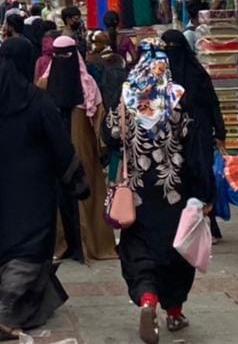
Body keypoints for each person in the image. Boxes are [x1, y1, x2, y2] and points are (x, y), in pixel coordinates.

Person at [0, 37, 89, 340]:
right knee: (33, 246)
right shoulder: (37, 100)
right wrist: (76, 179)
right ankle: (5, 309)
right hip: (35, 186)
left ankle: (30, 307)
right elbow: (59, 143)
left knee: (8, 243)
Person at [104, 41, 215, 343]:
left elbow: (110, 134)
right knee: (176, 254)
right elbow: (195, 150)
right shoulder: (177, 100)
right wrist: (204, 193)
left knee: (138, 251)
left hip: (138, 196)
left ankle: (147, 300)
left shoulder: (127, 100)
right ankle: (175, 312)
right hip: (174, 195)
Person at [37, 36, 114, 263]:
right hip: (65, 150)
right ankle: (65, 243)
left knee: (84, 190)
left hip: (79, 149)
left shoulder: (86, 85)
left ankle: (87, 243)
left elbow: (99, 118)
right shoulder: (80, 84)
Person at [160, 29, 226, 240]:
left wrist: (220, 132)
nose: (170, 52)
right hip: (173, 132)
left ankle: (208, 223)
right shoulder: (161, 74)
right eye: (166, 47)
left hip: (199, 129)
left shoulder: (197, 74)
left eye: (173, 47)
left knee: (201, 173)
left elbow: (212, 102)